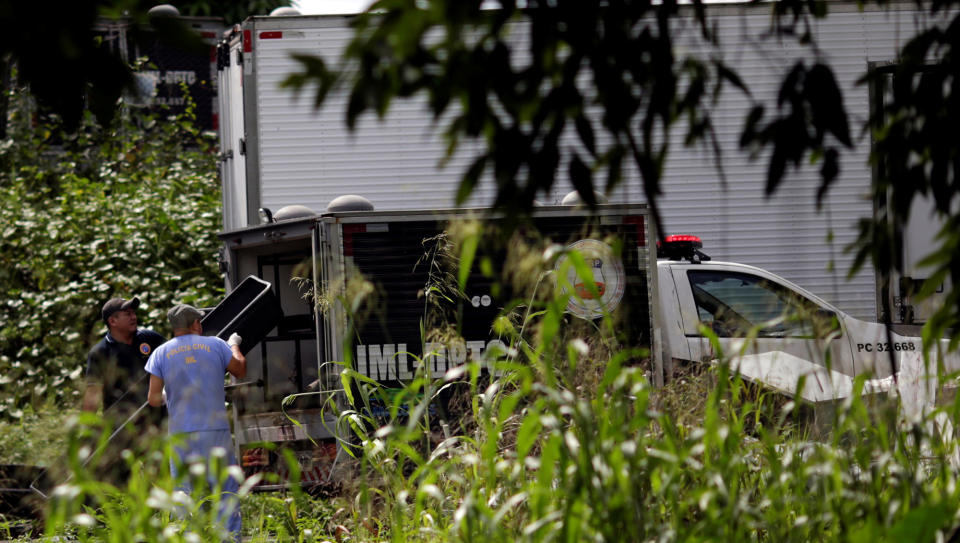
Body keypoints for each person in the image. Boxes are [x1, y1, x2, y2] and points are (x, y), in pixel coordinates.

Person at [146, 303, 246, 542]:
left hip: (181, 434)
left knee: (185, 492)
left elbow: (152, 399)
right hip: (215, 431)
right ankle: (230, 539)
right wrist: (234, 344)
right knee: (225, 490)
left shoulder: (160, 353)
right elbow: (240, 369)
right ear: (195, 324)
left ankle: (189, 536)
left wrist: (170, 396)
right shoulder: (216, 344)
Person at [81, 297, 167, 482]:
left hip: (157, 421)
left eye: (134, 313)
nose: (133, 317)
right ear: (112, 321)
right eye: (127, 314)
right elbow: (92, 395)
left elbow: (175, 363)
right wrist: (88, 434)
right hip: (121, 427)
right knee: (121, 481)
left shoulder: (150, 339)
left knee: (164, 474)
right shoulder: (100, 353)